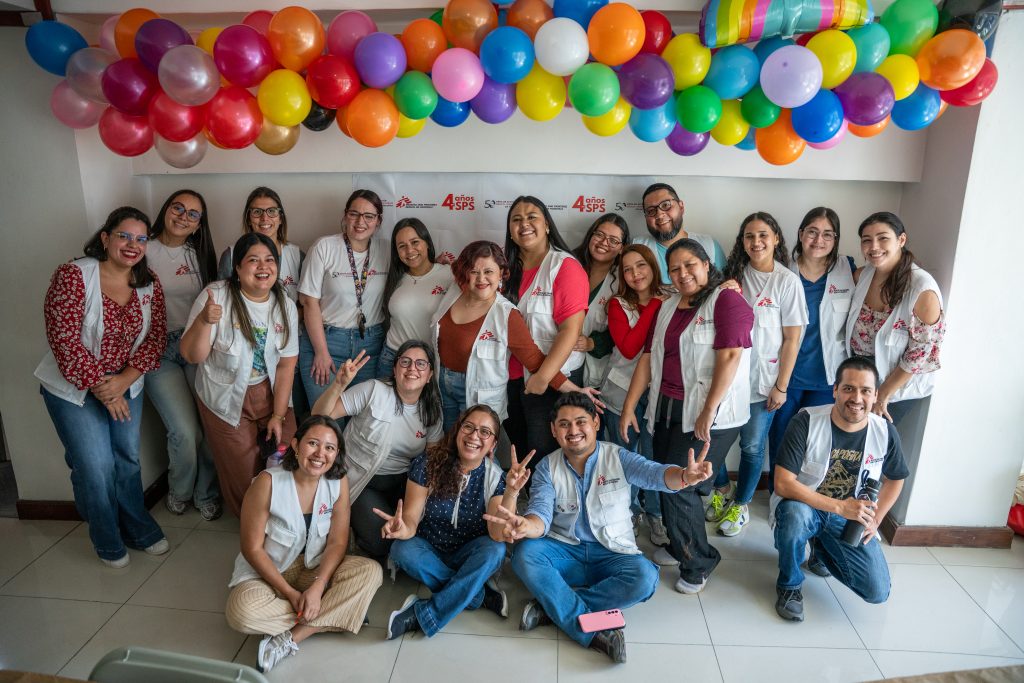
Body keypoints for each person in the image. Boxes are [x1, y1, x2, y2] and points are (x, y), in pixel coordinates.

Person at [488, 392, 714, 663]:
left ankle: (553, 608)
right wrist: (526, 525)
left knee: (645, 578)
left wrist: (684, 477)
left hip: (612, 553)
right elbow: (541, 515)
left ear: (595, 423)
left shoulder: (618, 457)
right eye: (564, 424)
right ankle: (594, 632)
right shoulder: (547, 467)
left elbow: (655, 474)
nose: (573, 431)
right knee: (525, 554)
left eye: (581, 422)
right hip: (566, 551)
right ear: (553, 430)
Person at [35, 206, 169, 567]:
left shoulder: (148, 282)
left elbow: (155, 338)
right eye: (124, 235)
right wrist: (102, 388)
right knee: (94, 466)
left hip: (125, 382)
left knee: (126, 459)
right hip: (73, 388)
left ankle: (137, 527)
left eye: (141, 239)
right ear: (106, 238)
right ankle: (107, 538)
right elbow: (63, 338)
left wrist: (124, 381)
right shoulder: (73, 275)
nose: (133, 245)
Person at [620, 239, 753, 592]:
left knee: (682, 487)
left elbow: (730, 358)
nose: (683, 274)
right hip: (667, 408)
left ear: (707, 265)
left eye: (690, 265)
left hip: (713, 413)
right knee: (666, 477)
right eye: (675, 269)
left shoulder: (727, 301)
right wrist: (630, 405)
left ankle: (699, 562)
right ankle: (681, 546)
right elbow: (648, 359)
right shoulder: (667, 307)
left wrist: (707, 412)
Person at [225, 415, 383, 673]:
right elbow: (251, 549)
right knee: (240, 612)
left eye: (330, 448)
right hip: (271, 575)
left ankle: (290, 638)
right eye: (313, 443)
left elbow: (337, 540)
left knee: (370, 572)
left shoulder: (338, 481)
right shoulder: (267, 482)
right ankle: (340, 613)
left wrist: (319, 586)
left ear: (337, 454)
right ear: (296, 445)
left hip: (314, 571)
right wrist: (290, 594)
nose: (321, 453)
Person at [771, 356, 908, 622]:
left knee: (877, 591)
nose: (856, 398)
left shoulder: (885, 431)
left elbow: (897, 478)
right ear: (835, 390)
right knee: (795, 518)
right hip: (807, 506)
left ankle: (821, 548)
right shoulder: (806, 421)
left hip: (851, 519)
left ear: (875, 395)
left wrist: (875, 520)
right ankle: (789, 585)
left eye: (865, 390)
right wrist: (839, 507)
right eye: (848, 388)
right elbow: (782, 483)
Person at [181, 233, 299, 517]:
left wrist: (278, 415)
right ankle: (251, 529)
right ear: (237, 267)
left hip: (271, 392)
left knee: (288, 456)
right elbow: (191, 355)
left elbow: (286, 365)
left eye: (270, 260)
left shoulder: (285, 304)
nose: (263, 267)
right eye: (253, 260)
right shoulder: (216, 296)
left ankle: (284, 521)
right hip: (223, 395)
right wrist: (203, 320)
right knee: (242, 471)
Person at [379, 405, 521, 640]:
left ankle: (425, 613)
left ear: (493, 444)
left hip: (469, 553)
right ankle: (476, 595)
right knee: (401, 549)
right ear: (457, 431)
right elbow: (412, 518)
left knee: (495, 549)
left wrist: (513, 492)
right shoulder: (428, 462)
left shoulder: (495, 476)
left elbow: (496, 535)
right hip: (429, 549)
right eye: (469, 427)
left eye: (485, 432)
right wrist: (403, 528)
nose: (475, 436)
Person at [431, 241, 600, 433]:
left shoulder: (506, 314)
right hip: (442, 387)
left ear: (502, 273)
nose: (481, 279)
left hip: (475, 395)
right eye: (474, 271)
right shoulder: (453, 292)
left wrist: (576, 390)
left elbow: (534, 359)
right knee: (448, 444)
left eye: (488, 272)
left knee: (473, 449)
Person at [711, 213, 808, 537]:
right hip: (727, 377)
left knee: (752, 447)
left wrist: (781, 386)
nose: (756, 242)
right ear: (742, 242)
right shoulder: (733, 276)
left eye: (763, 235)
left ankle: (741, 504)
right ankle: (721, 489)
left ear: (777, 238)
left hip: (764, 381)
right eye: (749, 236)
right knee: (713, 439)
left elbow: (793, 338)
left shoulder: (786, 281)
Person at [310, 340, 444, 559]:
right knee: (383, 543)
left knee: (418, 530)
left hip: (405, 482)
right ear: (394, 368)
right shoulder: (374, 390)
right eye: (405, 362)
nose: (412, 369)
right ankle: (352, 532)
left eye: (421, 364)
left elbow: (433, 456)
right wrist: (338, 385)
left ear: (429, 374)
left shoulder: (432, 409)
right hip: (364, 482)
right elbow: (319, 417)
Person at [766, 208, 856, 495]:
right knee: (779, 436)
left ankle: (808, 497)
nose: (819, 239)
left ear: (836, 239)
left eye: (828, 234)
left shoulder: (848, 268)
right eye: (813, 232)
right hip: (786, 375)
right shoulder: (780, 267)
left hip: (826, 376)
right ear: (801, 234)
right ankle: (779, 496)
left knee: (818, 442)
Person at [145, 190, 222, 520]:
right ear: (165, 210)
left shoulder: (200, 255)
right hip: (156, 350)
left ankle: (206, 491)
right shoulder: (142, 250)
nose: (183, 216)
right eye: (178, 207)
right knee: (183, 431)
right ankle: (179, 490)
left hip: (194, 346)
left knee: (210, 426)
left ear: (198, 225)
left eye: (193, 214)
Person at [502, 196, 590, 461]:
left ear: (548, 225)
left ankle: (551, 504)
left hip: (552, 378)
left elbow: (570, 331)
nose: (524, 224)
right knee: (522, 449)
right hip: (510, 377)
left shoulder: (564, 266)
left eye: (532, 217)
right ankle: (533, 501)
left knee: (545, 453)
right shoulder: (505, 268)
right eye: (516, 219)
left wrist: (543, 378)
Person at [599, 244, 670, 548]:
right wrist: (653, 306)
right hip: (621, 390)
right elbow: (629, 348)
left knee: (653, 456)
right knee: (623, 454)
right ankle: (627, 512)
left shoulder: (672, 296)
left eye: (641, 266)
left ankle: (654, 514)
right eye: (627, 270)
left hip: (659, 392)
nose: (635, 274)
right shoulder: (618, 304)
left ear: (653, 266)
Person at [847, 212, 944, 427]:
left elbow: (919, 354)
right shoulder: (863, 275)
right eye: (866, 240)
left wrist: (882, 395)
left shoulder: (922, 289)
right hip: (860, 374)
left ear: (901, 240)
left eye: (883, 238)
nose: (874, 246)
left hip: (896, 383)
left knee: (872, 444)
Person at [221, 187, 309, 420]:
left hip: (289, 351)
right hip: (247, 356)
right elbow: (223, 307)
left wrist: (282, 324)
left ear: (281, 217)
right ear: (248, 218)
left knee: (293, 413)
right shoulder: (230, 256)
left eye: (271, 211)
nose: (264, 218)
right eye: (257, 212)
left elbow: (307, 304)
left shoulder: (297, 255)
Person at [299, 190, 388, 407]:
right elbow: (309, 302)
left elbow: (416, 268)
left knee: (361, 420)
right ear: (345, 216)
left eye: (369, 216)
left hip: (370, 347)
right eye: (354, 214)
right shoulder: (324, 247)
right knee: (326, 419)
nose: (360, 221)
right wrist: (321, 352)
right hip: (327, 341)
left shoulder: (387, 250)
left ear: (378, 221)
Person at [379, 218, 452, 377]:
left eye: (415, 242)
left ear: (427, 243)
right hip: (392, 357)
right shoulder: (394, 278)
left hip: (429, 360)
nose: (410, 250)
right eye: (402, 246)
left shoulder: (449, 274)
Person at [571, 213, 627, 389]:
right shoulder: (569, 265)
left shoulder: (624, 280)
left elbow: (627, 330)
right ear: (590, 235)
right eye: (600, 235)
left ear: (621, 248)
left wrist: (593, 343)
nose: (604, 243)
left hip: (597, 367)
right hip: (559, 358)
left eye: (613, 240)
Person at [634, 182, 726, 284]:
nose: (659, 215)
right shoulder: (637, 247)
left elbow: (725, 288)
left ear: (681, 207)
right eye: (651, 211)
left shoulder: (709, 245)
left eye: (666, 205)